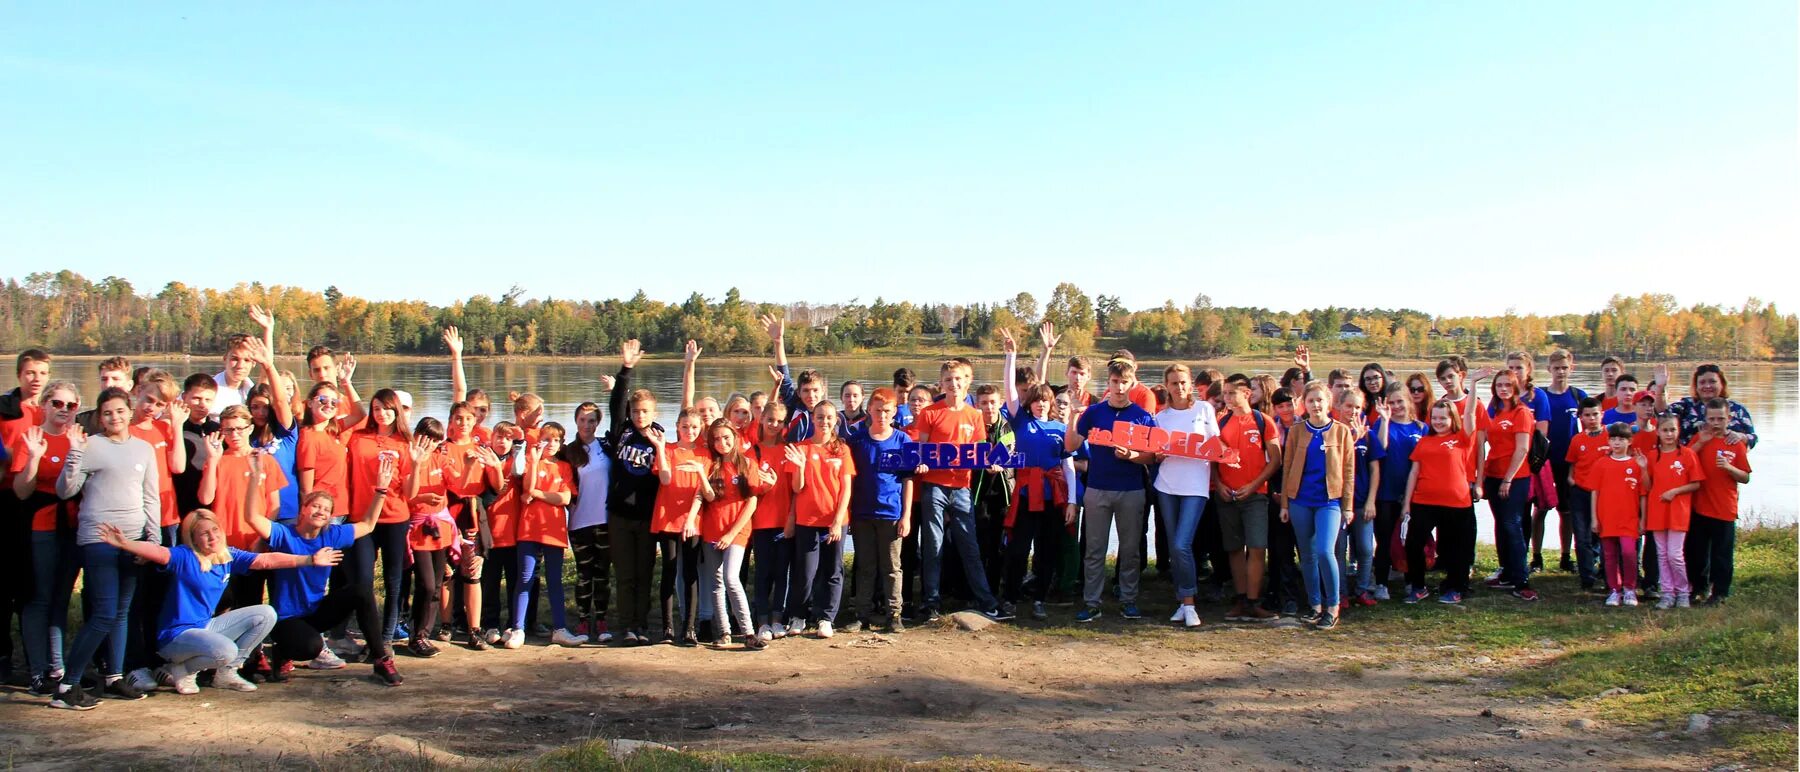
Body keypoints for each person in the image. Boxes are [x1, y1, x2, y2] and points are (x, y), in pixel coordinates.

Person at [95, 511, 330, 698]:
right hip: (176, 636)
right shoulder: (184, 556)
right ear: (193, 538)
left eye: (215, 530)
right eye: (204, 533)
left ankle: (226, 673)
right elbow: (158, 552)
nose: (212, 537)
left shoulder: (226, 555)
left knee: (266, 613)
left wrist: (309, 559)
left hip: (205, 627)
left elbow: (266, 560)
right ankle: (183, 670)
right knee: (225, 650)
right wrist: (125, 543)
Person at [49, 387, 160, 709]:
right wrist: (73, 452)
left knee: (122, 613)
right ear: (100, 416)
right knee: (103, 614)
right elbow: (64, 490)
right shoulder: (90, 445)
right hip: (98, 540)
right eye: (107, 413)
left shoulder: (143, 449)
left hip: (132, 540)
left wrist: (151, 542)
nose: (114, 417)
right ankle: (66, 685)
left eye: (120, 411)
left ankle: (114, 676)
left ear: (130, 412)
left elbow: (150, 497)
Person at [253, 453, 404, 686]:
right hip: (287, 618)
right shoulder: (284, 534)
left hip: (315, 612)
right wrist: (255, 479)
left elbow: (368, 524)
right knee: (310, 647)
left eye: (326, 509)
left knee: (361, 591)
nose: (321, 511)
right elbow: (251, 517)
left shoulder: (331, 535)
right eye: (315, 506)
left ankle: (381, 659)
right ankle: (283, 653)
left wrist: (381, 490)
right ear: (303, 508)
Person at [907, 358, 1003, 622]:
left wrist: (991, 464)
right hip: (934, 487)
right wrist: (921, 464)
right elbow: (922, 451)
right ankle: (931, 601)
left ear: (966, 381)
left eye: (958, 379)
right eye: (948, 380)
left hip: (962, 488)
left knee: (969, 545)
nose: (953, 384)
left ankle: (986, 600)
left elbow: (980, 453)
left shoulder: (974, 415)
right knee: (933, 544)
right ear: (942, 383)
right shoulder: (930, 413)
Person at [1066, 356, 1157, 623]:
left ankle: (1128, 599)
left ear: (1132, 384)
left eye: (1124, 383)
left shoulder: (1142, 416)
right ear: (1108, 382)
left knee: (1130, 550)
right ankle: (1091, 602)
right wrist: (1073, 416)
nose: (1119, 388)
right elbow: (1071, 446)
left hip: (1131, 490)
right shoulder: (1094, 412)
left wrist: (1132, 455)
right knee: (1094, 549)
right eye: (1115, 382)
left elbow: (1152, 456)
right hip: (1097, 488)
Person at [10, 381, 81, 695]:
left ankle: (57, 668)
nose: (63, 410)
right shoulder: (33, 439)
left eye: (70, 405)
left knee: (60, 601)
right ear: (45, 406)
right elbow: (21, 491)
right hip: (41, 527)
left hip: (73, 527)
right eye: (56, 403)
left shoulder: (79, 439)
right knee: (38, 599)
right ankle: (39, 671)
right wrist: (36, 458)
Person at [999, 340, 1076, 622]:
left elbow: (1067, 465)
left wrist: (1072, 501)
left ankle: (1040, 598)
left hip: (1053, 497)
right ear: (1029, 403)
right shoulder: (1020, 421)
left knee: (1047, 551)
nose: (1041, 404)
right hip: (1025, 495)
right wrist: (1011, 355)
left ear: (1051, 403)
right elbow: (1009, 389)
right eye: (1036, 400)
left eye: (1045, 400)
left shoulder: (1060, 428)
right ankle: (1009, 597)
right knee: (1018, 549)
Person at [1279, 383, 1356, 629]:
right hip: (1300, 501)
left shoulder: (1342, 432)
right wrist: (1285, 504)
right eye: (1311, 401)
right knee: (1308, 556)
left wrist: (1348, 505)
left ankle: (1333, 606)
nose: (1316, 405)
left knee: (1325, 551)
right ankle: (1315, 606)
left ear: (1328, 402)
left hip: (1329, 502)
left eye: (1320, 400)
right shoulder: (1297, 431)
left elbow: (1348, 471)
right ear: (1305, 404)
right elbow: (1287, 468)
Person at [198, 405, 287, 610]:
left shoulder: (265, 460)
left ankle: (252, 642)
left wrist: (261, 537)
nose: (234, 435)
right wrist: (212, 460)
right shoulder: (218, 461)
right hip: (222, 543)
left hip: (252, 540)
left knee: (250, 600)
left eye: (239, 429)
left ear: (249, 428)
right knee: (223, 603)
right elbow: (205, 498)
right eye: (228, 430)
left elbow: (273, 505)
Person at [1151, 364, 1218, 628]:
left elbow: (1217, 444)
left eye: (1183, 382)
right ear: (1166, 386)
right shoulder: (1161, 417)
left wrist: (1208, 449)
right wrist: (1159, 454)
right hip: (1167, 485)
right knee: (1174, 546)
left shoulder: (1204, 410)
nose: (1179, 388)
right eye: (1173, 383)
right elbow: (1155, 452)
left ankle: (1190, 603)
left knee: (1182, 544)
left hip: (1195, 487)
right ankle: (1182, 601)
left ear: (1190, 384)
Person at [344, 389, 414, 644]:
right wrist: (346, 384)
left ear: (396, 410)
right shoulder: (358, 438)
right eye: (376, 409)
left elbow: (409, 491)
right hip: (362, 518)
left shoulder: (405, 442)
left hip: (395, 516)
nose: (381, 414)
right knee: (363, 581)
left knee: (393, 581)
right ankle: (371, 636)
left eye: (386, 408)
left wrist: (416, 465)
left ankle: (385, 639)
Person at [606, 340, 664, 646]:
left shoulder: (659, 438)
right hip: (619, 515)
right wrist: (626, 369)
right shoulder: (622, 432)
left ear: (654, 412)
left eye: (645, 411)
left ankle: (642, 624)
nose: (640, 415)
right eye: (636, 411)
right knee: (625, 574)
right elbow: (616, 402)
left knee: (644, 573)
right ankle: (626, 625)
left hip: (646, 516)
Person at [1401, 393, 1483, 605]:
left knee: (1456, 549)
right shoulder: (1424, 442)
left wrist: (1473, 385)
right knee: (1413, 544)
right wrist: (1407, 503)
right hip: (1424, 502)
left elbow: (1471, 413)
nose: (1438, 422)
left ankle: (1456, 587)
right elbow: (1413, 473)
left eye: (1443, 418)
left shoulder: (1462, 439)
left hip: (1456, 503)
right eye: (1435, 418)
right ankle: (1418, 587)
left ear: (1452, 419)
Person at [508, 422, 584, 649]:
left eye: (555, 440)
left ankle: (559, 629)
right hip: (529, 529)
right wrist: (534, 460)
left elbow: (565, 499)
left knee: (554, 580)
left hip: (554, 529)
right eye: (546, 439)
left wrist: (538, 494)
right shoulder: (532, 462)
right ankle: (518, 629)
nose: (551, 444)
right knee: (525, 578)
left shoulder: (564, 467)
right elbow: (527, 488)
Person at [846, 388, 913, 633]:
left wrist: (906, 515)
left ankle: (894, 614)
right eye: (877, 410)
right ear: (869, 412)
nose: (882, 415)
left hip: (891, 514)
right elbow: (850, 480)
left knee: (892, 567)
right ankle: (862, 614)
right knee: (865, 566)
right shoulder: (857, 440)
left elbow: (908, 480)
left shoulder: (903, 440)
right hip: (863, 513)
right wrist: (850, 512)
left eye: (886, 411)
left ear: (894, 412)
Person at [1213, 379, 1281, 622]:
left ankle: (1254, 601)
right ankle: (1241, 600)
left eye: (1233, 394)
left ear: (1247, 393)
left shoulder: (1263, 421)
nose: (1228, 398)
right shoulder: (1220, 421)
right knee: (1234, 548)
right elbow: (1212, 458)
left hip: (1255, 496)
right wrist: (1218, 485)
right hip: (1227, 496)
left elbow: (1275, 459)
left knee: (1256, 546)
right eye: (1225, 394)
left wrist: (1253, 486)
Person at [787, 401, 856, 636]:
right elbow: (797, 488)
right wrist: (800, 466)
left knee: (833, 569)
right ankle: (798, 615)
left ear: (835, 420)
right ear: (813, 419)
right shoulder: (801, 448)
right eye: (819, 417)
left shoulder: (842, 449)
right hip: (807, 520)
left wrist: (837, 520)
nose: (824, 422)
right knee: (805, 571)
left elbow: (846, 488)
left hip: (835, 520)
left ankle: (827, 618)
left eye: (828, 417)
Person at [696, 418, 766, 649]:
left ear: (735, 438)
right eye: (716, 438)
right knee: (716, 582)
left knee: (731, 578)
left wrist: (731, 533)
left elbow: (752, 503)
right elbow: (706, 497)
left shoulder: (746, 464)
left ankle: (748, 633)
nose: (721, 443)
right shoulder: (710, 464)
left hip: (737, 531)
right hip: (711, 529)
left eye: (726, 437)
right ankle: (724, 632)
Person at [1479, 369, 1539, 601]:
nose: (1503, 389)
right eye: (1499, 385)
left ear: (1515, 388)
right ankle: (1506, 572)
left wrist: (1508, 478)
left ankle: (1521, 579)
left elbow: (1522, 448)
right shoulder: (1496, 411)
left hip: (1514, 477)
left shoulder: (1521, 412)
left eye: (1507, 385)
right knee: (1501, 524)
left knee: (1512, 523)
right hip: (1493, 475)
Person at [1686, 399, 1752, 605]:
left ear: (1729, 419)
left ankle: (1720, 592)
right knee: (1697, 552)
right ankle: (1698, 588)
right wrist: (1700, 442)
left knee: (1721, 554)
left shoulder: (1735, 443)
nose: (1716, 423)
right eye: (1712, 418)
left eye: (1720, 419)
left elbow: (1745, 477)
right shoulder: (1700, 438)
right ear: (1705, 419)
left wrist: (1729, 468)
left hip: (1724, 507)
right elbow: (1683, 460)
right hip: (1699, 506)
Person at [563, 401, 615, 644]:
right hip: (579, 522)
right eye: (582, 420)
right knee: (584, 574)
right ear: (576, 422)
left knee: (602, 573)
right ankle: (583, 619)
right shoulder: (567, 451)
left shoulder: (606, 446)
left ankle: (602, 619)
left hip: (605, 521)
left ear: (598, 423)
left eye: (591, 420)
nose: (587, 425)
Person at [1642, 414, 1703, 610]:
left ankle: (1683, 591)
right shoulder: (1652, 456)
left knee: (1674, 554)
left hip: (1678, 511)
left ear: (1678, 432)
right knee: (1661, 554)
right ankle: (1667, 593)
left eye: (1673, 430)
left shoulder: (1687, 454)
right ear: (1658, 432)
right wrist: (1643, 469)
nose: (1669, 434)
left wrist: (1675, 492)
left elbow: (1696, 483)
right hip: (1657, 510)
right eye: (1665, 430)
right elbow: (1647, 486)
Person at [1372, 383, 1424, 600]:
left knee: (1412, 540)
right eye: (1391, 403)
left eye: (1399, 401)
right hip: (1386, 493)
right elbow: (1381, 448)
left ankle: (1412, 581)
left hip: (1414, 494)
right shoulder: (1381, 424)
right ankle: (1382, 582)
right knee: (1384, 540)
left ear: (1408, 401)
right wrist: (1384, 419)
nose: (1396, 406)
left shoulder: (1421, 428)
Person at [750, 401, 796, 641]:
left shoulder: (789, 450)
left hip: (784, 522)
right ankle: (762, 621)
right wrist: (764, 484)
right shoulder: (753, 451)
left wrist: (791, 519)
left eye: (780, 421)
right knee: (763, 573)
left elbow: (796, 490)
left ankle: (778, 620)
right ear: (762, 419)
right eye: (770, 420)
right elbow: (749, 487)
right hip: (760, 522)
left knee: (782, 573)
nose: (774, 425)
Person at [1540, 350, 1588, 574]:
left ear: (1572, 369)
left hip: (1569, 463)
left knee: (1566, 511)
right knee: (1540, 509)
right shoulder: (1540, 395)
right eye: (1556, 368)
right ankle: (1537, 556)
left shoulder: (1578, 396)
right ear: (1549, 369)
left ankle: (1565, 556)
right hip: (1544, 463)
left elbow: (1589, 432)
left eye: (1564, 368)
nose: (1560, 372)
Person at [1591, 423, 1646, 607]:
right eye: (1613, 439)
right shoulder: (1601, 463)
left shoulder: (1635, 464)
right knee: (1609, 555)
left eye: (1621, 439)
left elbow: (1643, 494)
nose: (1616, 443)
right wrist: (1594, 518)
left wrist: (1642, 518)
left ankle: (1630, 588)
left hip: (1629, 518)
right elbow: (1595, 492)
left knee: (1629, 552)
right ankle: (1615, 589)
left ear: (1629, 441)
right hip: (1607, 517)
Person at [1336, 389, 1382, 608]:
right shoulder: (1332, 433)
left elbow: (1375, 470)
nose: (1352, 411)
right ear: (1339, 406)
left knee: (1364, 548)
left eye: (1357, 407)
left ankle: (1362, 589)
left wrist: (1372, 500)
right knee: (1338, 550)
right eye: (1348, 406)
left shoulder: (1369, 434)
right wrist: (1351, 439)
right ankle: (1341, 593)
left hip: (1363, 502)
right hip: (1337, 502)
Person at [1562, 398, 1611, 592]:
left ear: (1602, 414)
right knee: (1582, 536)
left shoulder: (1610, 436)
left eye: (1595, 414)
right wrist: (1571, 480)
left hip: (1605, 493)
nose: (1592, 419)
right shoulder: (1577, 439)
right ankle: (1587, 577)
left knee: (1605, 534)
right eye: (1587, 415)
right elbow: (1572, 463)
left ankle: (1608, 574)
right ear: (1580, 417)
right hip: (1581, 492)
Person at [1658, 364, 1757, 448]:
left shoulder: (1737, 409)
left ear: (1722, 384)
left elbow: (1753, 438)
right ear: (1696, 386)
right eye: (1702, 382)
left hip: (1726, 465)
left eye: (1712, 381)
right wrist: (1660, 389)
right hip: (1691, 464)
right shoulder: (1686, 405)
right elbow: (1661, 414)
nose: (1707, 386)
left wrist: (1741, 436)